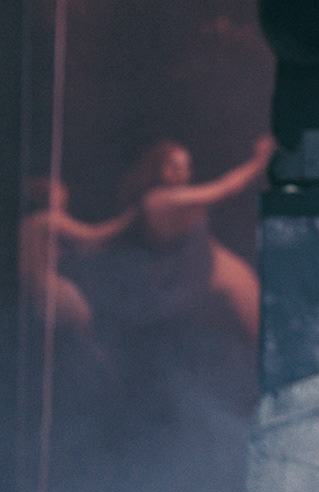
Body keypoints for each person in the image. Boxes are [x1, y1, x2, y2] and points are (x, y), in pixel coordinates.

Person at [117, 135, 274, 340]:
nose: (182, 172)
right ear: (158, 168)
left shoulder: (166, 197)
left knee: (252, 303)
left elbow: (112, 230)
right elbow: (226, 188)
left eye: (185, 166)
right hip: (185, 273)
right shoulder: (162, 199)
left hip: (205, 264)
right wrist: (260, 161)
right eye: (174, 166)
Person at [18, 178, 134, 335]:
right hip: (48, 287)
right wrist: (129, 217)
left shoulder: (29, 222)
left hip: (33, 291)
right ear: (46, 196)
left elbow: (81, 248)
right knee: (83, 326)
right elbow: (92, 235)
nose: (64, 196)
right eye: (58, 192)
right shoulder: (47, 219)